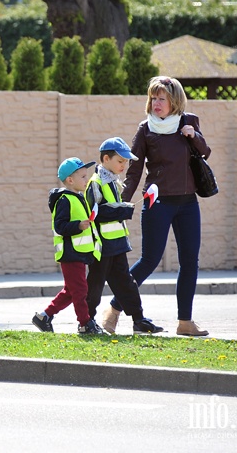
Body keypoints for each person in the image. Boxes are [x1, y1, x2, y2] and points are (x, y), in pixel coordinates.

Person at [116, 76, 212, 337]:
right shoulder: (145, 128)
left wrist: (194, 136)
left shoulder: (188, 122)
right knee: (149, 260)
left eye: (162, 99)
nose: (156, 103)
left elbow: (205, 151)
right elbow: (134, 170)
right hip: (157, 202)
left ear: (174, 101)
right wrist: (122, 201)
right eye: (153, 98)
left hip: (188, 203)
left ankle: (185, 322)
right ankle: (114, 309)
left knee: (190, 261)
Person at [84, 139, 163, 335]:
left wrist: (120, 210)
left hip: (117, 245)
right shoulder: (96, 183)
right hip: (102, 247)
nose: (124, 165)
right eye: (120, 161)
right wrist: (122, 210)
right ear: (105, 159)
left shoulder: (112, 181)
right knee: (95, 285)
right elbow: (94, 214)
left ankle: (139, 320)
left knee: (126, 284)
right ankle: (87, 322)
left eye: (126, 162)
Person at [32, 157, 104, 335]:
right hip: (70, 253)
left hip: (79, 253)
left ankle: (44, 316)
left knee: (71, 291)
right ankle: (85, 323)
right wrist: (78, 225)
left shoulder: (78, 198)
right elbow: (60, 226)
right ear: (70, 180)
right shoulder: (64, 199)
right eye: (82, 177)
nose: (86, 180)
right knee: (80, 290)